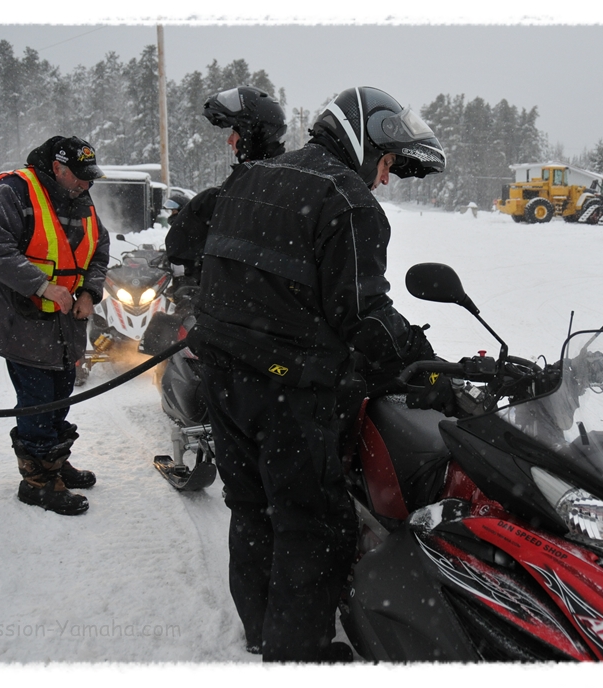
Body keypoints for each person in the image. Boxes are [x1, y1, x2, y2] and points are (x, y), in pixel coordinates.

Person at [185, 86, 446, 662]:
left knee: (251, 508)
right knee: (313, 525)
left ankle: (258, 628)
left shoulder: (251, 177)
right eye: (384, 164)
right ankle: (296, 654)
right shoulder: (348, 201)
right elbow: (363, 314)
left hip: (224, 380)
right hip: (288, 394)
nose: (382, 179)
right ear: (367, 137)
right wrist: (419, 363)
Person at [0, 136, 110, 516]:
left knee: (60, 394)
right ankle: (37, 482)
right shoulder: (15, 190)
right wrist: (43, 286)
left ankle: (53, 462)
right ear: (57, 169)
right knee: (37, 400)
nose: (86, 185)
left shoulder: (81, 196)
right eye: (79, 178)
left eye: (89, 178)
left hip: (66, 322)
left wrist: (89, 292)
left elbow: (99, 248)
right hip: (22, 318)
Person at [164, 85, 287, 290]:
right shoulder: (290, 185)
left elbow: (179, 246)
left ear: (250, 135)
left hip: (237, 313)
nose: (229, 140)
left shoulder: (226, 198)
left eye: (235, 132)